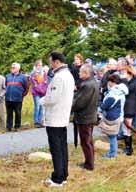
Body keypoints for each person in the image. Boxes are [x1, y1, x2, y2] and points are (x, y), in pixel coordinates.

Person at [40, 52, 75, 187]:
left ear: (57, 62)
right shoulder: (69, 75)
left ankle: (58, 178)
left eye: (51, 62)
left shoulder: (59, 77)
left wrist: (42, 100)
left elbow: (52, 98)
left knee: (56, 149)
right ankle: (63, 174)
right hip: (62, 116)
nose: (50, 65)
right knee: (62, 147)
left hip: (55, 117)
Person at [71, 65, 99, 171]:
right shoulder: (93, 82)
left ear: (86, 73)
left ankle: (89, 165)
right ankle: (89, 162)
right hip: (89, 115)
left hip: (85, 117)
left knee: (86, 142)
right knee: (88, 141)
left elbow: (79, 102)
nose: (79, 74)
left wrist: (70, 107)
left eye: (81, 72)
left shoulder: (87, 85)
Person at [98, 74, 128, 159]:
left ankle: (112, 154)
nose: (108, 83)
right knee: (113, 136)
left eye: (109, 81)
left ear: (112, 82)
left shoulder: (114, 93)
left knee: (112, 137)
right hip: (119, 115)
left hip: (113, 117)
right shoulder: (121, 91)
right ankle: (112, 152)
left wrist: (100, 108)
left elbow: (106, 105)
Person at [120, 66, 136, 156]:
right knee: (124, 128)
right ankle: (127, 147)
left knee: (127, 128)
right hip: (124, 106)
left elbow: (126, 90)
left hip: (130, 108)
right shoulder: (126, 81)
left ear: (130, 73)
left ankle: (129, 149)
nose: (122, 74)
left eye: (124, 72)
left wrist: (123, 80)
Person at [5, 63, 29, 132]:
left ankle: (17, 127)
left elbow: (26, 87)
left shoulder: (23, 77)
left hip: (18, 99)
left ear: (18, 69)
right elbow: (5, 86)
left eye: (13, 67)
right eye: (11, 67)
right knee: (9, 114)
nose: (12, 68)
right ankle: (9, 127)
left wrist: (22, 95)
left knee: (18, 113)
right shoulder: (7, 76)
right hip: (8, 99)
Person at [30, 60, 48, 128]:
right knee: (37, 106)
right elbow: (35, 85)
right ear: (36, 66)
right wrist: (41, 89)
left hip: (43, 93)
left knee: (42, 107)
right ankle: (36, 121)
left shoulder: (44, 73)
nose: (40, 66)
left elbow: (46, 83)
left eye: (41, 65)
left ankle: (41, 121)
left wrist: (43, 90)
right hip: (36, 93)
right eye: (39, 65)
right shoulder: (33, 74)